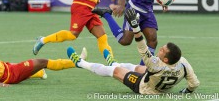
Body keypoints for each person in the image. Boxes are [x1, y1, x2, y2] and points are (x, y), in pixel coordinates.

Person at [67, 8, 200, 94]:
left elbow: (142, 47)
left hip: (144, 88)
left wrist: (135, 27)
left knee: (115, 72)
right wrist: (186, 91)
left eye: (162, 50)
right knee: (138, 67)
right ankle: (113, 62)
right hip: (156, 80)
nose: (160, 49)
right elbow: (194, 83)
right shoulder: (183, 63)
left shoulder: (155, 64)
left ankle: (81, 63)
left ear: (165, 59)